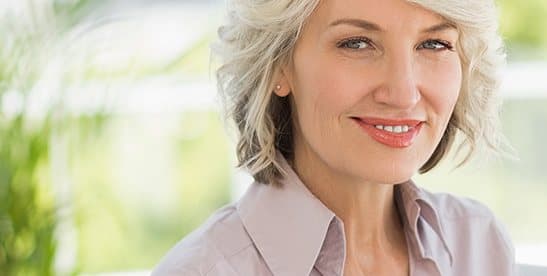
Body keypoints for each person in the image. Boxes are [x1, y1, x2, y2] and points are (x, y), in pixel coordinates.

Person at [154, 0, 514, 274]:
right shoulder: (204, 268)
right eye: (357, 43)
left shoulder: (478, 245)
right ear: (279, 64)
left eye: (434, 44)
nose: (404, 93)